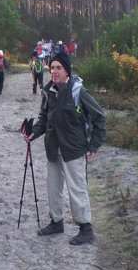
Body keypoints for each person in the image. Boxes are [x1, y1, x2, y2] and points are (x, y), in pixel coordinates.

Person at [22, 48, 106, 245]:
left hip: (74, 149)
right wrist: (33, 132)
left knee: (77, 189)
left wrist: (94, 144)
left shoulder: (78, 91)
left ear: (67, 70)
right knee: (53, 188)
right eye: (52, 67)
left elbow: (99, 117)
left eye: (58, 67)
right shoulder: (49, 91)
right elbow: (44, 119)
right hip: (53, 148)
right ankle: (56, 222)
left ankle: (86, 229)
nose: (54, 71)